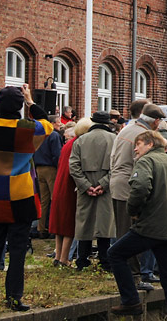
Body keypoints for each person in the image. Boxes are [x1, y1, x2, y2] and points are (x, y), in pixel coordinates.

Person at [0, 85, 52, 312]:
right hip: (21, 194)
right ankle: (14, 297)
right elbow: (47, 122)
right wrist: (30, 101)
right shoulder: (29, 128)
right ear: (19, 106)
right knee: (17, 251)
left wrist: (1, 102)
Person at [107, 130, 167, 319]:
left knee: (115, 253)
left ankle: (130, 300)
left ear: (150, 144)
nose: (135, 149)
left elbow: (140, 187)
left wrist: (133, 211)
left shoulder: (146, 161)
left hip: (149, 227)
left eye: (138, 144)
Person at [110, 99, 164, 290]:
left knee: (124, 231)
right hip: (129, 187)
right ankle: (132, 277)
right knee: (131, 233)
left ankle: (131, 275)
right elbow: (141, 165)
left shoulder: (127, 129)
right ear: (155, 121)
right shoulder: (142, 135)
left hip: (118, 183)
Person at [70, 110, 116, 270]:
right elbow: (116, 167)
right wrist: (103, 184)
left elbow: (73, 166)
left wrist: (86, 185)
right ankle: (105, 260)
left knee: (84, 222)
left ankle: (82, 260)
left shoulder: (80, 140)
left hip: (86, 186)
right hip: (107, 186)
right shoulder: (114, 140)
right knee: (106, 223)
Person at [49, 117, 91, 267]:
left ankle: (58, 256)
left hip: (60, 185)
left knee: (60, 223)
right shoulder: (79, 144)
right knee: (69, 224)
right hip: (70, 186)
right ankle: (64, 258)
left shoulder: (68, 144)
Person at [33, 118, 62, 239]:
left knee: (43, 200)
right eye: (57, 122)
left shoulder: (38, 135)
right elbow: (57, 154)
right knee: (55, 198)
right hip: (51, 169)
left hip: (39, 168)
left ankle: (41, 228)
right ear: (52, 123)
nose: (60, 124)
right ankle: (53, 228)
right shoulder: (53, 135)